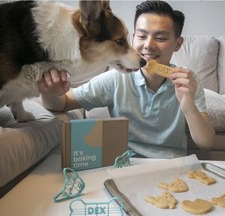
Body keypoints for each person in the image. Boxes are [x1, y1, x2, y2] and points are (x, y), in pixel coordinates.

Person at [38, 0, 215, 159]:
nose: (148, 45)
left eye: (160, 38)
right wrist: (50, 91)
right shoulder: (116, 79)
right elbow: (62, 103)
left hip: (173, 164)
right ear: (132, 38)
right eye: (141, 36)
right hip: (126, 164)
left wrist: (189, 107)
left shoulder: (188, 81)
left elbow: (206, 144)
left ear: (177, 44)